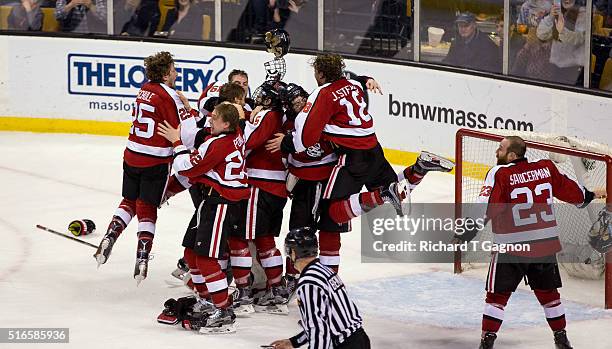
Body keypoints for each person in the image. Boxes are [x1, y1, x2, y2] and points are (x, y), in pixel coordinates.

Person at [268, 53, 455, 272]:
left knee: (334, 214)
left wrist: (287, 142)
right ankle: (419, 169)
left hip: (352, 157)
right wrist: (367, 79)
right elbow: (358, 80)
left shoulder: (323, 93)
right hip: (374, 149)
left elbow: (307, 137)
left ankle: (383, 195)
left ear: (319, 73)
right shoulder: (352, 83)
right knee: (397, 189)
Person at [454, 136, 606, 349]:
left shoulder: (500, 173)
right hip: (544, 244)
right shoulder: (546, 168)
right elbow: (569, 190)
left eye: (500, 149)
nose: (496, 152)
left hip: (511, 246)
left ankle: (487, 343)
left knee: (496, 297)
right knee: (549, 295)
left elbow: (487, 205)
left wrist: (467, 231)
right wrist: (587, 196)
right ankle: (561, 339)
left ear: (512, 155)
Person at [157, 102, 249, 334]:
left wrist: (177, 142)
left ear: (226, 123)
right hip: (210, 202)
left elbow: (186, 169)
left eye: (215, 117)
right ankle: (207, 299)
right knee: (191, 253)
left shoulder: (217, 145)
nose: (210, 120)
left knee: (207, 258)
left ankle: (223, 310)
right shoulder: (235, 133)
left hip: (220, 204)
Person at [93, 51, 185, 284]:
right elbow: (181, 129)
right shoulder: (170, 96)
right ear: (165, 74)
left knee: (130, 200)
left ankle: (110, 235)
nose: (176, 72)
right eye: (173, 69)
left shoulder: (143, 89)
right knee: (147, 207)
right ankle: (142, 255)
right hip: (155, 160)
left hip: (131, 155)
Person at [230, 81, 290, 315]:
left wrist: (243, 119)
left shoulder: (268, 115)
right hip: (274, 187)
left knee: (240, 238)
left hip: (260, 186)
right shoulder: (277, 115)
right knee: (264, 240)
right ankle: (277, 292)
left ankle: (244, 294)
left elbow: (248, 143)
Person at [269, 227, 370, 349]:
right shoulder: (325, 271)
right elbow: (327, 320)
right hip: (359, 339)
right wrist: (294, 342)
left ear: (294, 253)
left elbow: (318, 329)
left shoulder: (308, 283)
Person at [536, 0, 586, 85]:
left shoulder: (584, 14)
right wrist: (551, 16)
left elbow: (578, 39)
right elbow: (541, 35)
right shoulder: (558, 12)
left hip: (575, 69)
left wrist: (562, 31)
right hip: (556, 66)